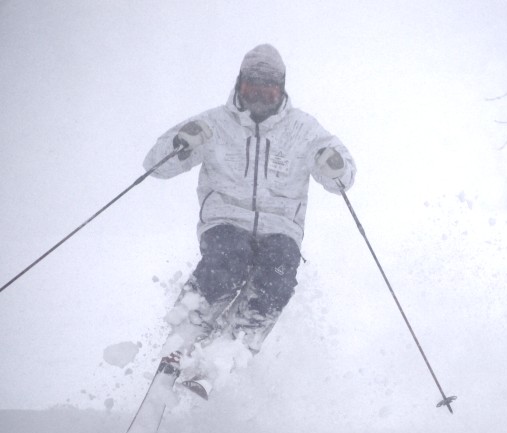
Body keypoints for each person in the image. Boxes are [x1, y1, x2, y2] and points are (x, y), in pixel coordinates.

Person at [142, 44, 356, 391]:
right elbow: (154, 166)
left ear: (281, 88)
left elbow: (343, 181)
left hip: (281, 228)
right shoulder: (214, 124)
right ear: (239, 84)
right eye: (251, 86)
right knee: (230, 257)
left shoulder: (304, 131)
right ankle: (186, 335)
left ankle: (225, 355)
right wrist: (182, 141)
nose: (259, 94)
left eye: (268, 87)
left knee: (279, 272)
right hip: (225, 220)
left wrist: (333, 163)